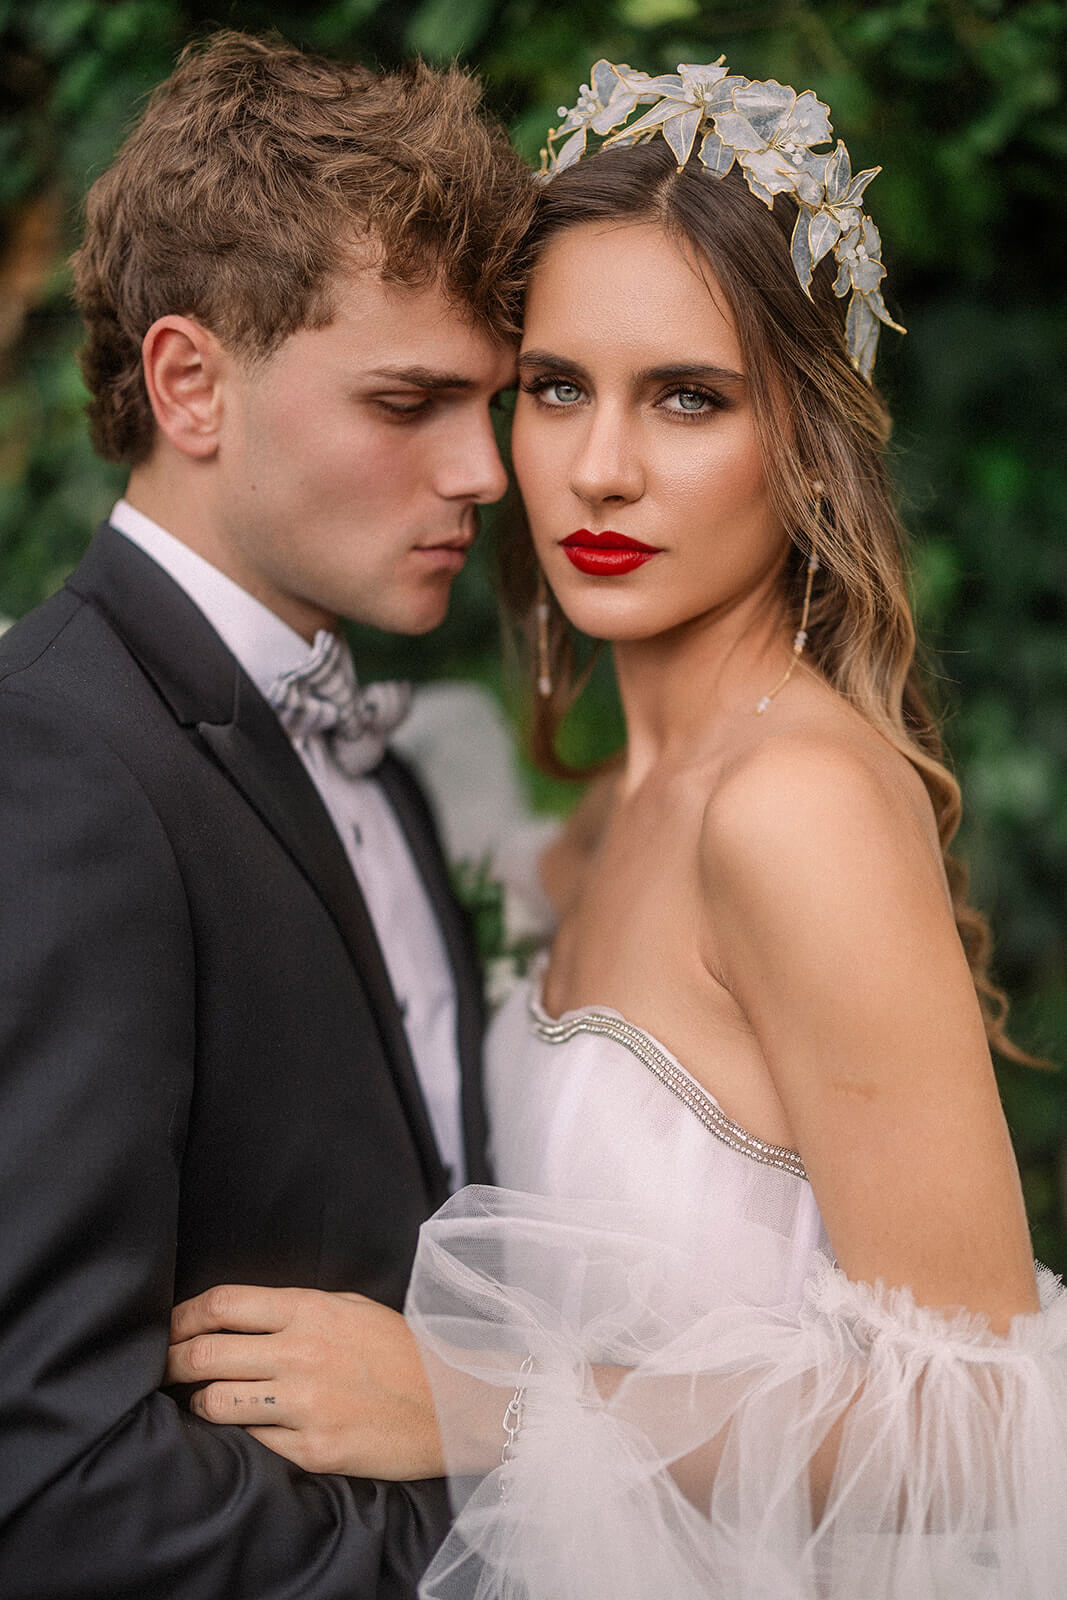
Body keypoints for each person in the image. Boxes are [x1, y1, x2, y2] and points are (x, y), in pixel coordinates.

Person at [166, 58, 1067, 1597]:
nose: (599, 470)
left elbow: (985, 1421)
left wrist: (485, 1407)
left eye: (689, 398)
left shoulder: (793, 810)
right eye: (558, 387)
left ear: (808, 440)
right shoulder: (600, 808)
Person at [0, 30, 537, 1600]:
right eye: (410, 400)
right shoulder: (54, 767)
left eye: (494, 403)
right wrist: (495, 1554)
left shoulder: (380, 755)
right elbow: (50, 1480)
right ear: (191, 383)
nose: (487, 470)